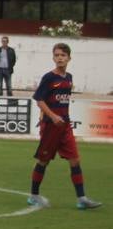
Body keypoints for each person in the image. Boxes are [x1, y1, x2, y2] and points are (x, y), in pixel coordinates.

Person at [29, 43, 100, 210]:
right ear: (53, 58)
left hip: (65, 126)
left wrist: (62, 118)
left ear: (69, 58)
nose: (60, 58)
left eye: (63, 55)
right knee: (43, 161)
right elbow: (39, 100)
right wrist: (52, 117)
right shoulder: (49, 78)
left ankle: (82, 198)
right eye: (57, 55)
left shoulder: (69, 78)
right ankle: (33, 195)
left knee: (75, 160)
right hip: (51, 126)